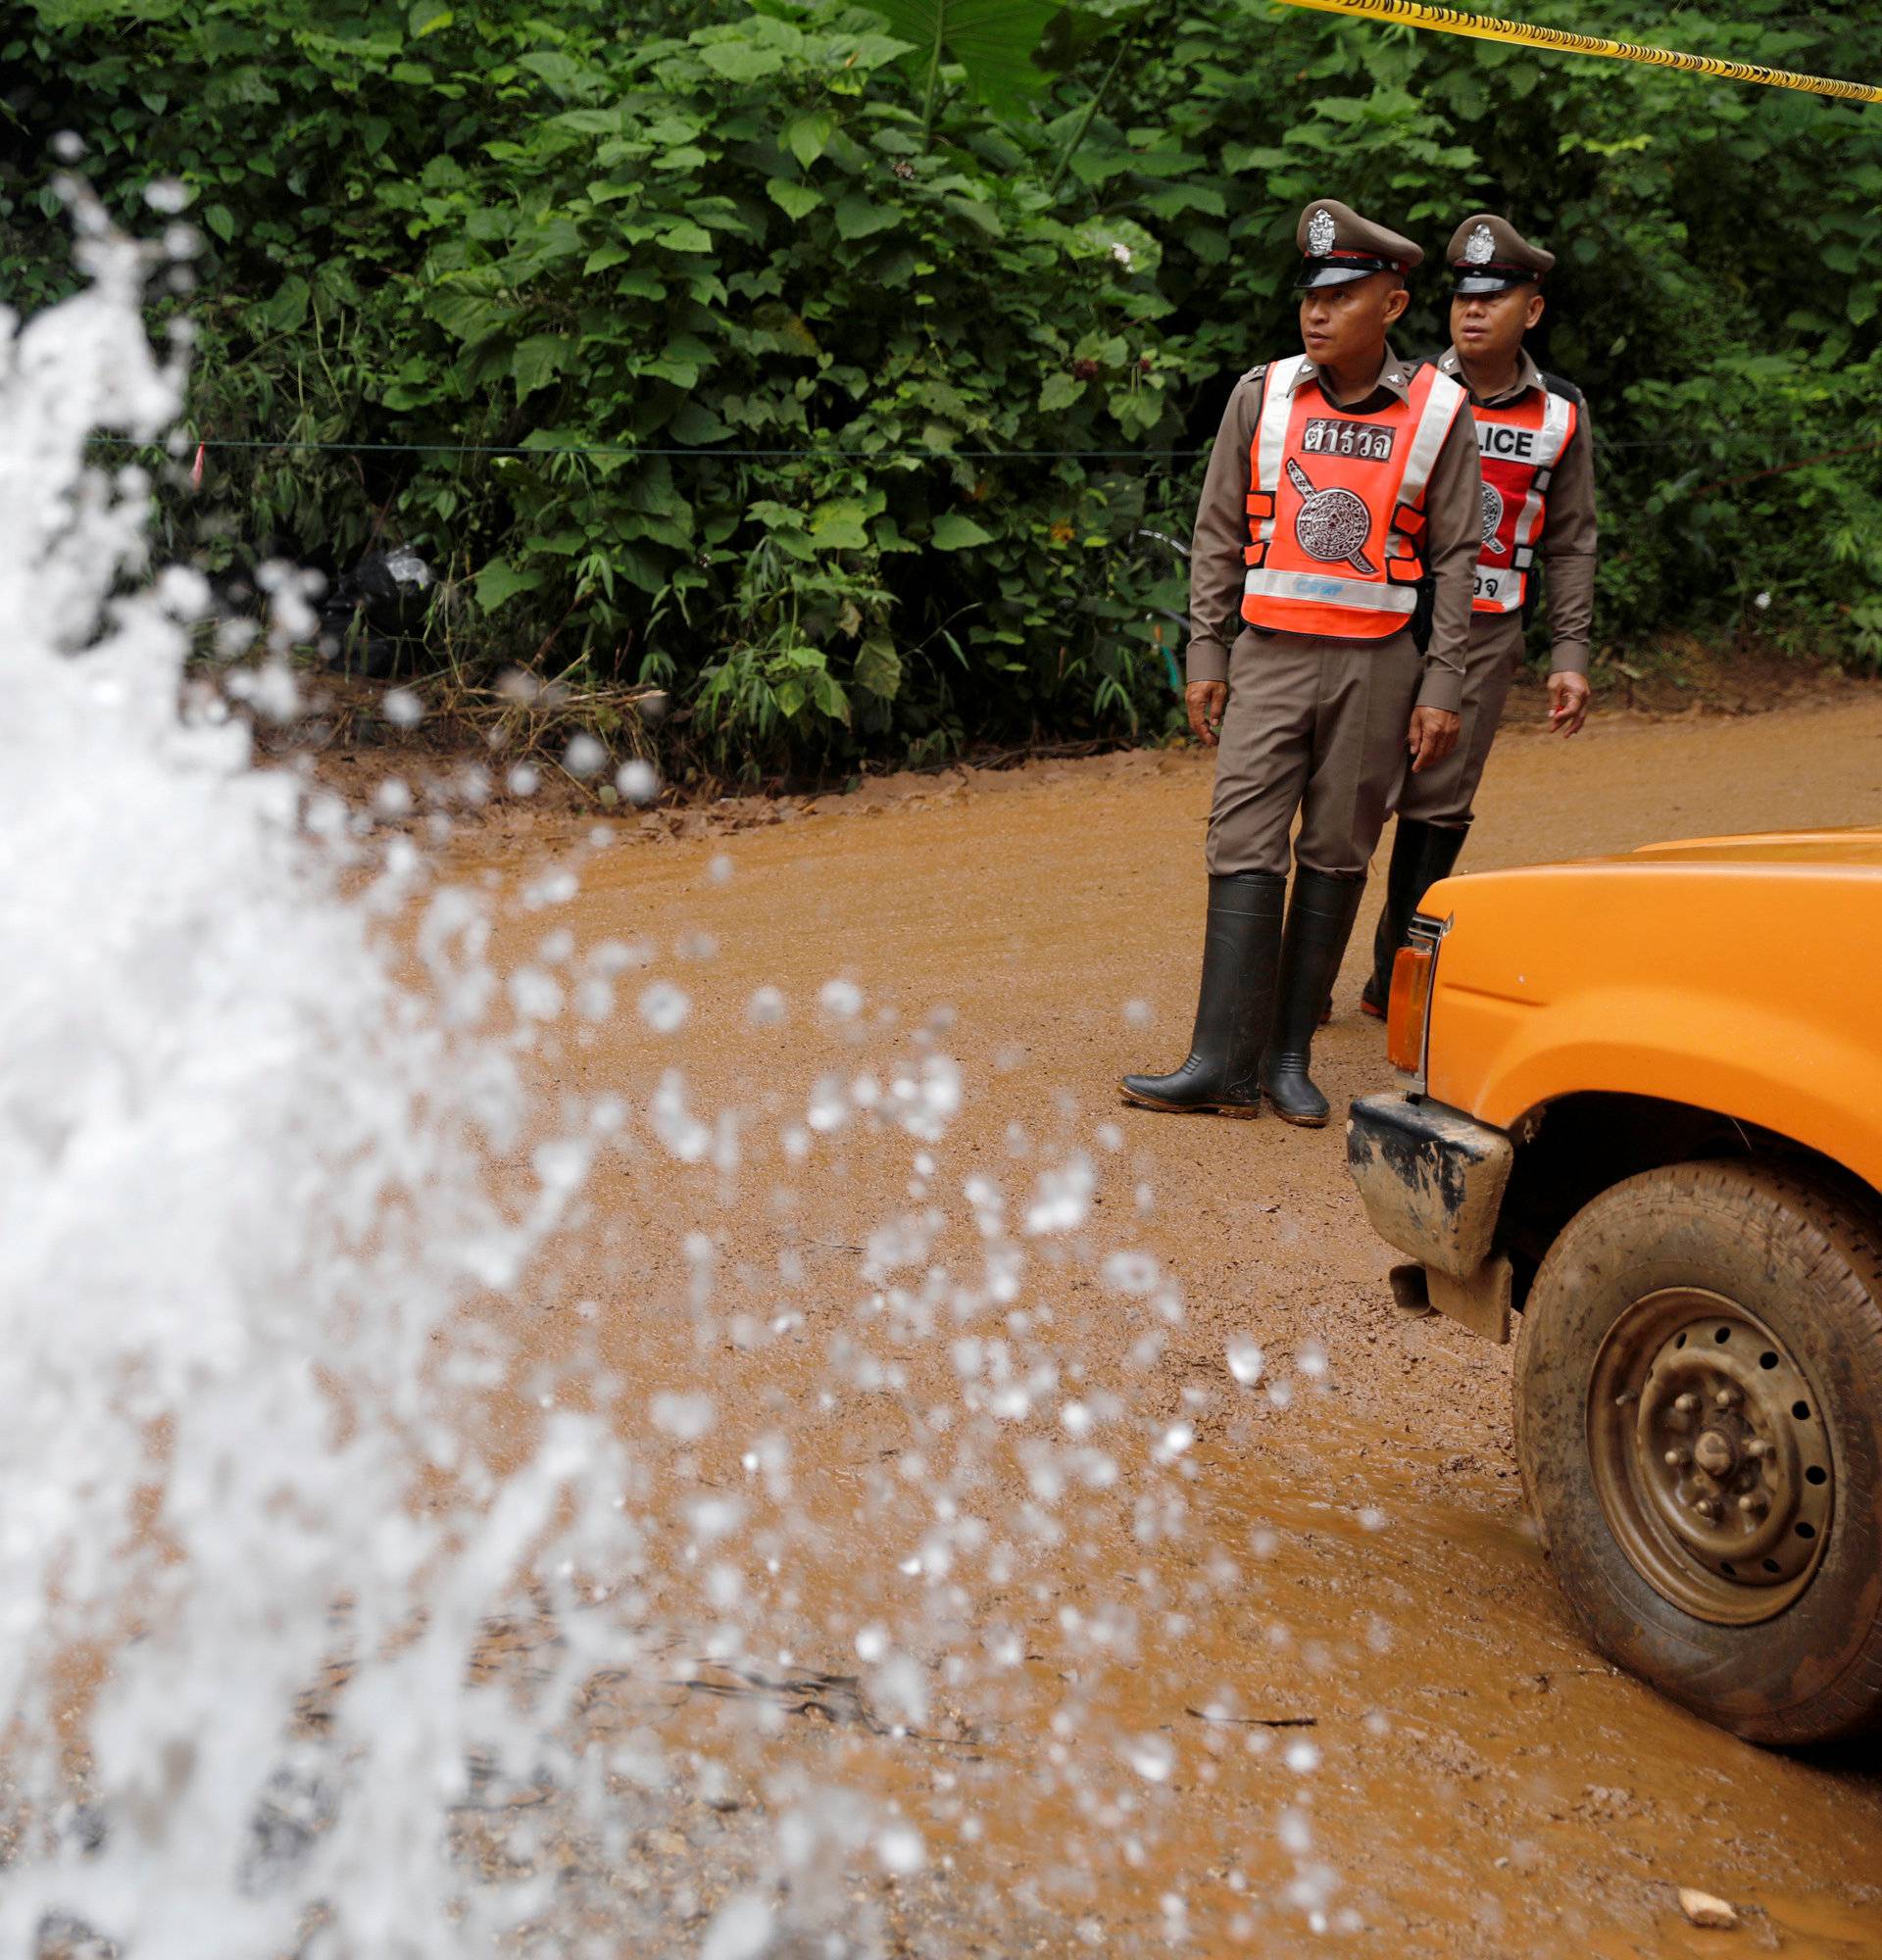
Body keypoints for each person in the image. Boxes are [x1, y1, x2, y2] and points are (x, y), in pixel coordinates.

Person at [1121, 199, 1481, 1127]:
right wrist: (1207, 649)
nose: (1316, 314)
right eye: (1309, 296)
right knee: (1240, 841)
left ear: (1393, 306)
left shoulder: (1441, 412)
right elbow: (1216, 530)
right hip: (1270, 658)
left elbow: (1456, 561)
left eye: (1343, 295)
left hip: (1378, 668)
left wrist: (1443, 685)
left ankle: (1286, 1059)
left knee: (1334, 851)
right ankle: (1217, 1062)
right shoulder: (1264, 394)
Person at [1360, 213, 1598, 1018]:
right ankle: (1305, 979)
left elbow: (1571, 541)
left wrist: (1570, 651)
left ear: (1530, 311)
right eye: (1463, 294)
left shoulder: (1562, 413)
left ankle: (1396, 972)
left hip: (1491, 631)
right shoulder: (1412, 394)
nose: (1472, 310)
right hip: (1396, 619)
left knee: (1439, 804)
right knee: (1356, 793)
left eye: (1493, 298)